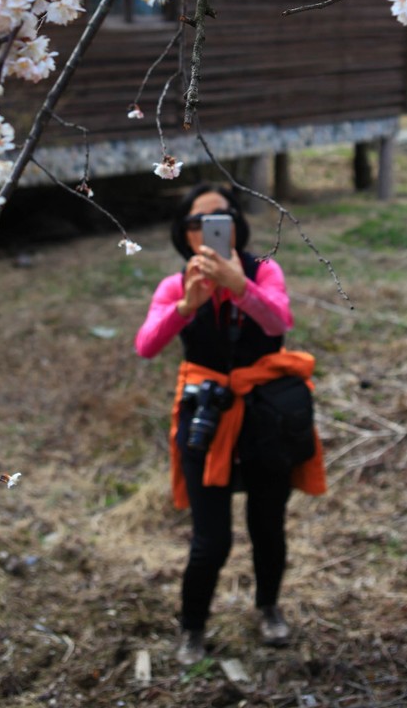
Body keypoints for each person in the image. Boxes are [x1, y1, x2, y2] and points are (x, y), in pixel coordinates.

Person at [136, 183, 326, 665]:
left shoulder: (265, 270)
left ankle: (269, 609)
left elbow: (279, 322)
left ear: (237, 224)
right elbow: (146, 345)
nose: (208, 229)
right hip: (205, 416)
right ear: (184, 233)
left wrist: (241, 287)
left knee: (268, 525)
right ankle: (193, 627)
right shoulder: (176, 285)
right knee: (210, 540)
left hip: (267, 415)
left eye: (219, 218)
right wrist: (187, 306)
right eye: (197, 222)